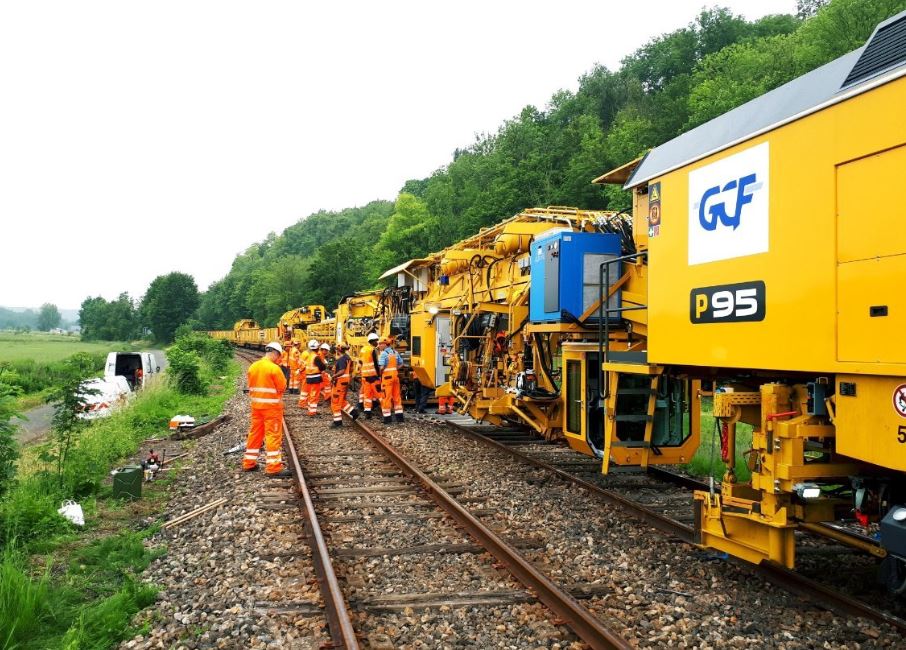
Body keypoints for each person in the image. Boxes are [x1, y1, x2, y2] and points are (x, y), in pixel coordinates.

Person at [242, 341, 290, 477]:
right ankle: (273, 468)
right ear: (276, 353)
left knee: (255, 434)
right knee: (273, 435)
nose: (279, 359)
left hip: (256, 407)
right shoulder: (274, 369)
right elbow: (282, 387)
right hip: (271, 409)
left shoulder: (253, 366)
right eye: (279, 356)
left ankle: (248, 463)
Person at [330, 343, 359, 427]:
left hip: (339, 382)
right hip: (345, 382)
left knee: (335, 402)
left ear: (338, 350)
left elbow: (342, 371)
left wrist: (333, 376)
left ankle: (337, 422)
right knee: (341, 400)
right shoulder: (348, 358)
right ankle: (354, 412)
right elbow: (350, 370)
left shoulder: (341, 359)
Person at [378, 337, 404, 424]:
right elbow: (401, 364)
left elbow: (381, 367)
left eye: (380, 344)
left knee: (386, 397)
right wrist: (395, 369)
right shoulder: (395, 352)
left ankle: (387, 418)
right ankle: (400, 418)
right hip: (395, 377)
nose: (379, 346)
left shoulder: (383, 354)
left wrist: (380, 374)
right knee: (397, 396)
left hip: (387, 378)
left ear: (385, 344)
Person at [300, 339, 328, 416]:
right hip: (315, 377)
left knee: (311, 394)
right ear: (317, 347)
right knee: (314, 395)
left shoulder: (310, 356)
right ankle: (312, 412)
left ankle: (311, 409)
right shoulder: (316, 357)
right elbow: (322, 367)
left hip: (309, 377)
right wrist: (325, 365)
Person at [357, 332, 382, 419]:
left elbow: (360, 361)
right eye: (376, 341)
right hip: (372, 375)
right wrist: (379, 375)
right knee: (378, 392)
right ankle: (385, 409)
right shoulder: (372, 350)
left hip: (365, 375)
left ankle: (367, 411)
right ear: (372, 341)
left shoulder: (363, 349)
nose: (377, 342)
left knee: (367, 393)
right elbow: (375, 363)